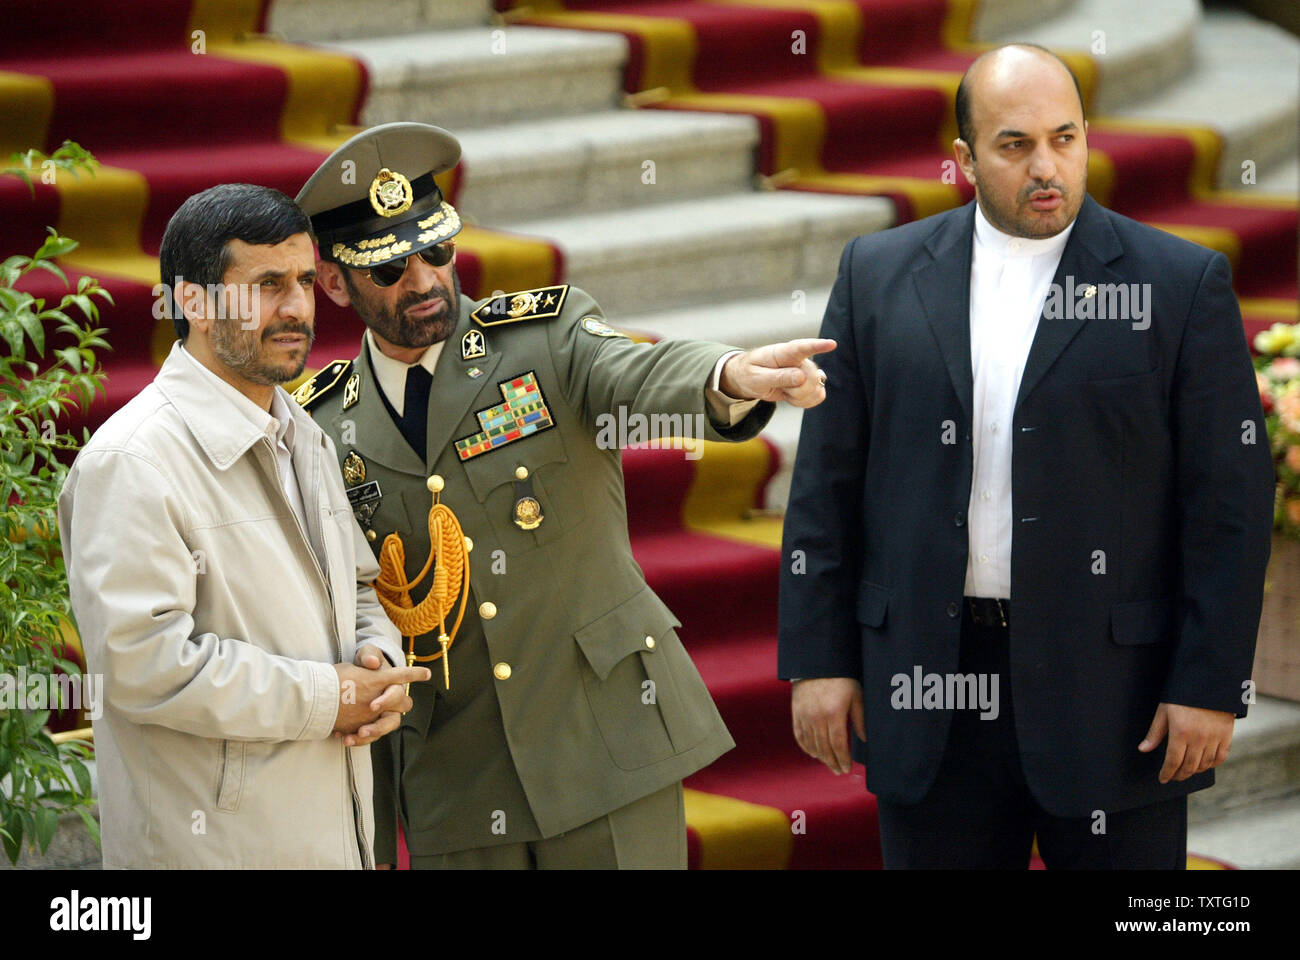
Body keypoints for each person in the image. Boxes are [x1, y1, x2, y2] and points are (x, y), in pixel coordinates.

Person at [777, 44, 1275, 869]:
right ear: (965, 160)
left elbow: (1228, 505)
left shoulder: (1179, 285)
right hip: (929, 684)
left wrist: (1208, 684)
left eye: (1066, 138)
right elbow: (827, 484)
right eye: (1015, 145)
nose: (1047, 166)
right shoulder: (877, 273)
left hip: (1117, 695)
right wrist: (818, 660)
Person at [292, 122, 832, 869]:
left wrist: (729, 376)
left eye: (437, 251)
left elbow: (636, 378)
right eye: (390, 270)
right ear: (335, 284)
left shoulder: (542, 340)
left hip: (605, 741)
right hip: (455, 777)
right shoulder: (321, 421)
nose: (423, 282)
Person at [58, 183, 430, 869]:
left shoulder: (301, 432)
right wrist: (329, 697)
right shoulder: (131, 462)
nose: (295, 308)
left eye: (301, 281)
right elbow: (143, 666)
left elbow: (357, 588)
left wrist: (378, 662)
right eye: (264, 286)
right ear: (192, 302)